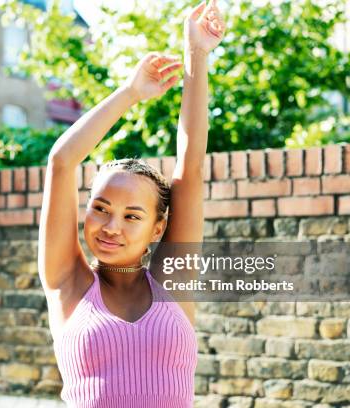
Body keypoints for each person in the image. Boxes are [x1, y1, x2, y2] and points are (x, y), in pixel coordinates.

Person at [38, 1, 225, 406]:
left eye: (131, 216)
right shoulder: (69, 282)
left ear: (158, 228)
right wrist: (130, 93)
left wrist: (196, 53)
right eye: (101, 208)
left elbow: (189, 167)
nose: (111, 226)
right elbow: (62, 161)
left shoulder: (172, 281)